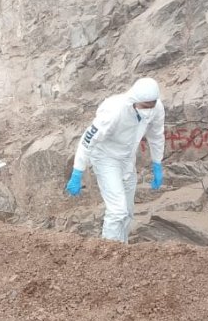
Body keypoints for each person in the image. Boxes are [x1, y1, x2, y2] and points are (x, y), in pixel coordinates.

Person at [66, 77, 166, 243]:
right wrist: (77, 172)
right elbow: (87, 140)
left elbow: (156, 136)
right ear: (135, 100)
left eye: (152, 105)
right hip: (106, 158)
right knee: (117, 211)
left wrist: (157, 163)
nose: (148, 110)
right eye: (144, 106)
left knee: (127, 211)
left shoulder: (157, 109)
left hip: (127, 158)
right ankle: (109, 252)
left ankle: (122, 250)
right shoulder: (114, 111)